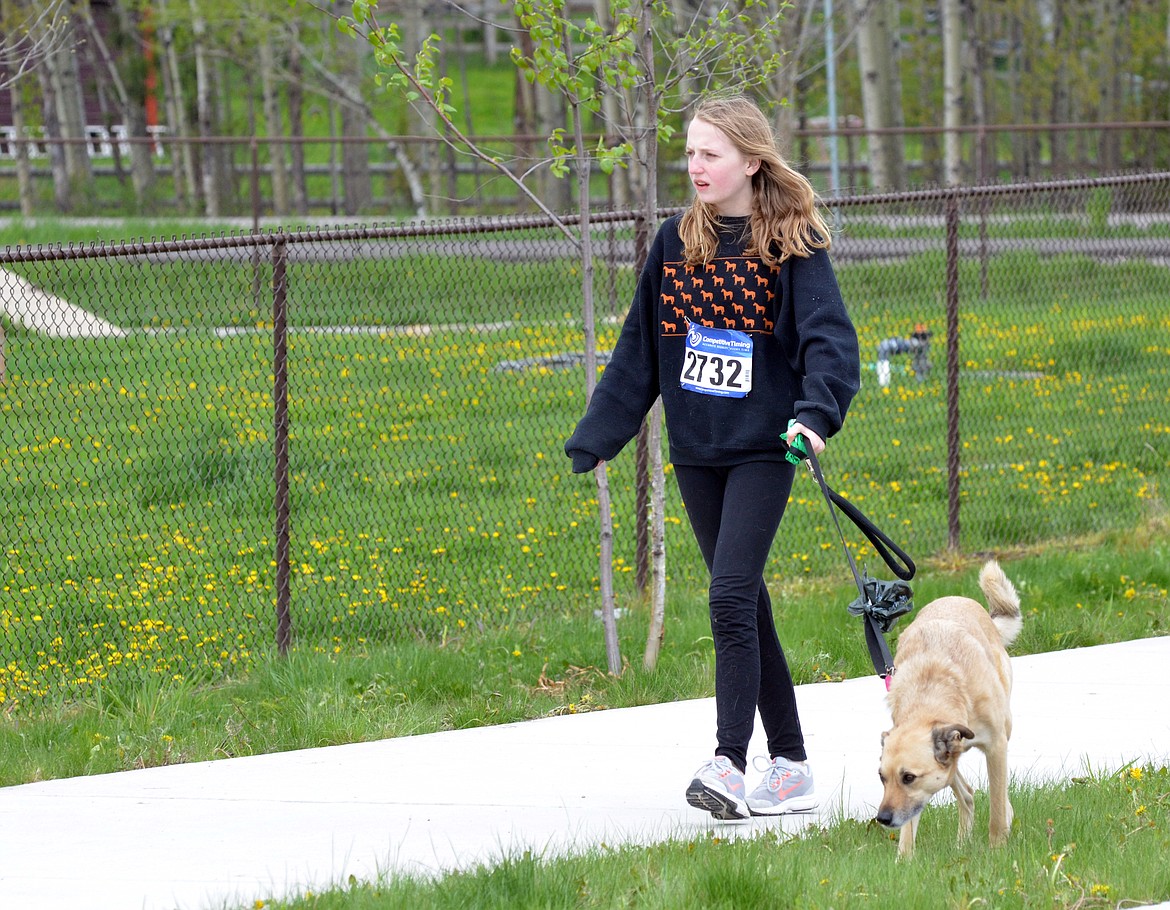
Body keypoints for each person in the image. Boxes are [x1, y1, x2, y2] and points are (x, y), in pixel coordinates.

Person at [564, 92, 860, 819]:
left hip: (766, 447)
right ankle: (789, 766)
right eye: (690, 152)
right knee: (746, 602)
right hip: (696, 448)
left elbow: (829, 340)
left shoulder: (794, 242)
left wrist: (815, 417)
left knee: (727, 595)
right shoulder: (675, 241)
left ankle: (729, 763)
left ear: (751, 162)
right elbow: (639, 349)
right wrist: (601, 434)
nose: (694, 165)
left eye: (710, 154)